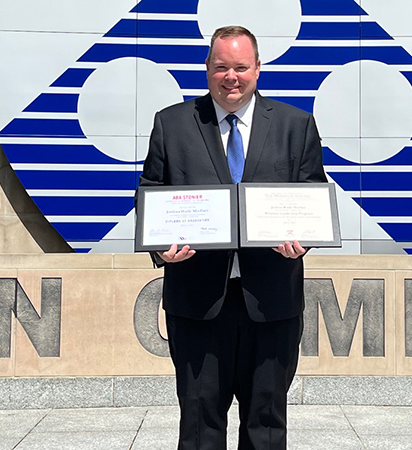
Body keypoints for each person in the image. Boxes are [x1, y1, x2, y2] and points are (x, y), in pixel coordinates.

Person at [138, 25, 327, 450]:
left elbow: (311, 195)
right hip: (198, 302)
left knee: (266, 422)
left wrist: (304, 238)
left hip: (272, 301)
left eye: (241, 67)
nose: (231, 77)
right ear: (207, 68)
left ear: (258, 68)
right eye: (221, 67)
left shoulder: (296, 126)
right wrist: (160, 247)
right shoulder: (173, 124)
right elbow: (150, 193)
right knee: (200, 424)